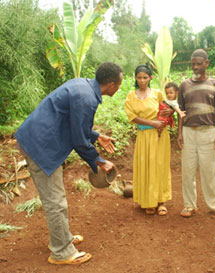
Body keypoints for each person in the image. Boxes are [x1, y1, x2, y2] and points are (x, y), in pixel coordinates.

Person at [14, 62, 123, 265]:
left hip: (40, 140)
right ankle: (61, 252)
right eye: (119, 83)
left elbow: (74, 126)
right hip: (41, 147)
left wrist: (97, 136)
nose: (119, 87)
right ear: (110, 84)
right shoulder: (86, 98)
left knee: (56, 198)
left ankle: (61, 238)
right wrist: (99, 161)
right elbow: (79, 140)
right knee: (55, 201)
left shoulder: (83, 87)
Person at [177, 49, 215, 218]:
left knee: (209, 170)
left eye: (199, 64)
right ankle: (189, 205)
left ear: (207, 63)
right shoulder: (184, 85)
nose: (196, 67)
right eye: (193, 64)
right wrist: (179, 133)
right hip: (189, 132)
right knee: (188, 171)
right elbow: (181, 112)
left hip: (208, 132)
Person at [125, 64, 173, 216]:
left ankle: (161, 201)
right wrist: (151, 122)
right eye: (139, 77)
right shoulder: (131, 96)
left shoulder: (157, 93)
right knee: (145, 166)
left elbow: (167, 108)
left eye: (145, 77)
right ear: (135, 78)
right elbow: (132, 116)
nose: (142, 80)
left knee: (160, 166)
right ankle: (148, 202)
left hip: (159, 136)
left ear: (150, 78)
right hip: (144, 136)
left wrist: (169, 112)